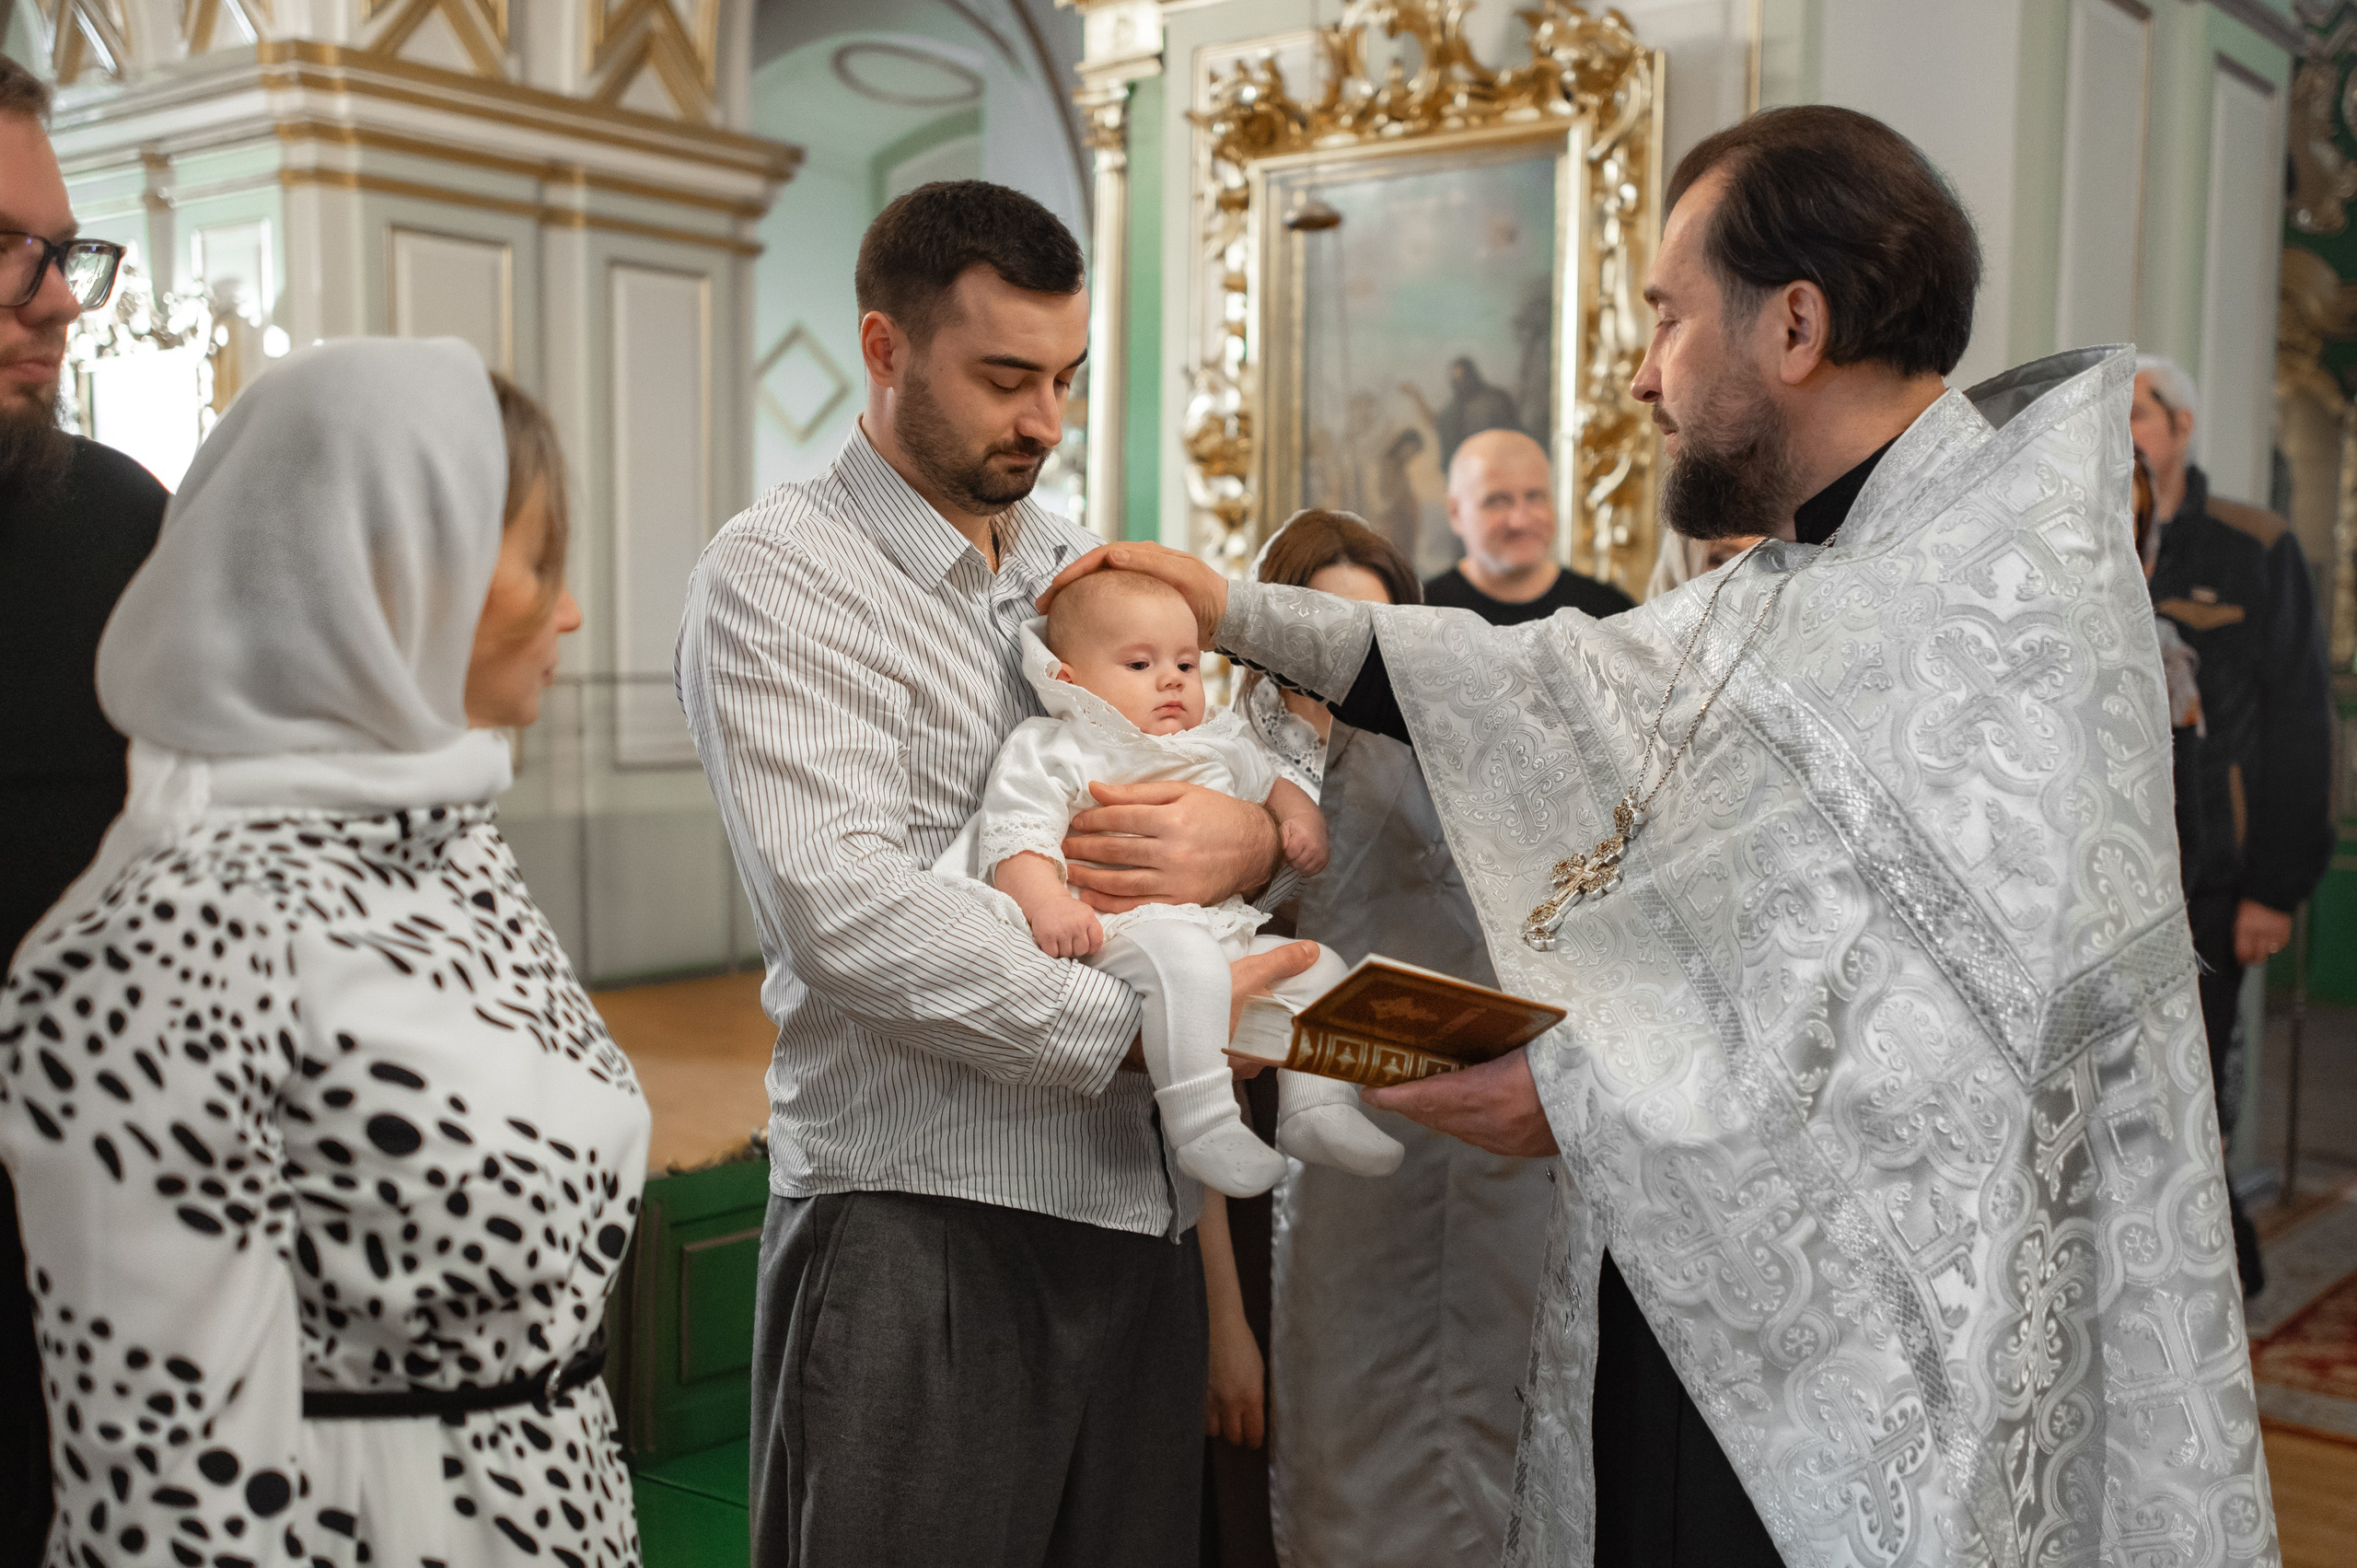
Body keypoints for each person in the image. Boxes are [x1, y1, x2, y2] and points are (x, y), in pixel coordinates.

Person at [1046, 106, 2276, 1567]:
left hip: (1875, 1389)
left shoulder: (1992, 609)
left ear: (1796, 326)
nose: (1640, 375)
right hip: (1721, 1312)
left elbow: (1937, 1051)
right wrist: (1234, 606)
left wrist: (1575, 1093)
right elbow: (1548, 684)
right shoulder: (1835, 571)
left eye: (1666, 319)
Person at [674, 180, 1315, 1568]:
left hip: (1132, 1211)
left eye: (1065, 379)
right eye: (1005, 378)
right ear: (886, 348)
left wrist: (1250, 836)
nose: (1043, 419)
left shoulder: (1069, 554)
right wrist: (1157, 1028)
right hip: (921, 1216)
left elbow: (1208, 744)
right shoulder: (780, 573)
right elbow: (846, 912)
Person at [2, 336, 648, 1566]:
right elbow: (170, 1492)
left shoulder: (450, 842)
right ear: (394, 575)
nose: (569, 609)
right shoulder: (172, 930)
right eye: (540, 562)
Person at [1235, 509, 1559, 1568]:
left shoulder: (1470, 766)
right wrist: (1217, 1319)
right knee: (1346, 1475)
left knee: (1492, 1453)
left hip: (1479, 1171)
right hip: (1312, 1186)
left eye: (1369, 642)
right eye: (1318, 637)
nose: (1341, 669)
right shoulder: (1232, 779)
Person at [929, 572, 1398, 1197]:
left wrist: (1299, 819)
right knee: (1186, 961)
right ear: (1068, 678)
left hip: (1216, 927)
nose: (1172, 679)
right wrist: (1044, 903)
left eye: (1185, 662)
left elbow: (1272, 780)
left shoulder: (1215, 741)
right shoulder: (1055, 746)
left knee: (1322, 969)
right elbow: (1016, 833)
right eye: (1141, 663)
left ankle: (1318, 1105)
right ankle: (1203, 1122)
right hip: (1121, 932)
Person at [0, 54, 158, 1564]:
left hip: (76, 1293)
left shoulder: (120, 525)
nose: (56, 298)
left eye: (65, 251)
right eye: (5, 247)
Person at [2131, 354, 2333, 1296]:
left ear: (2180, 427)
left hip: (2214, 875)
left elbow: (2300, 714)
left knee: (2194, 1084)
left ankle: (2210, 1278)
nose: (2120, 434)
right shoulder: (2085, 537)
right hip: (2114, 876)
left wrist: (2272, 884)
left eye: (2137, 414)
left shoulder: (2250, 543)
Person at [1422, 428, 1634, 623]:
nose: (1520, 521)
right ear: (1455, 513)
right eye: (1497, 501)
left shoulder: (1611, 612)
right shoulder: (1418, 614)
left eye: (1535, 497)